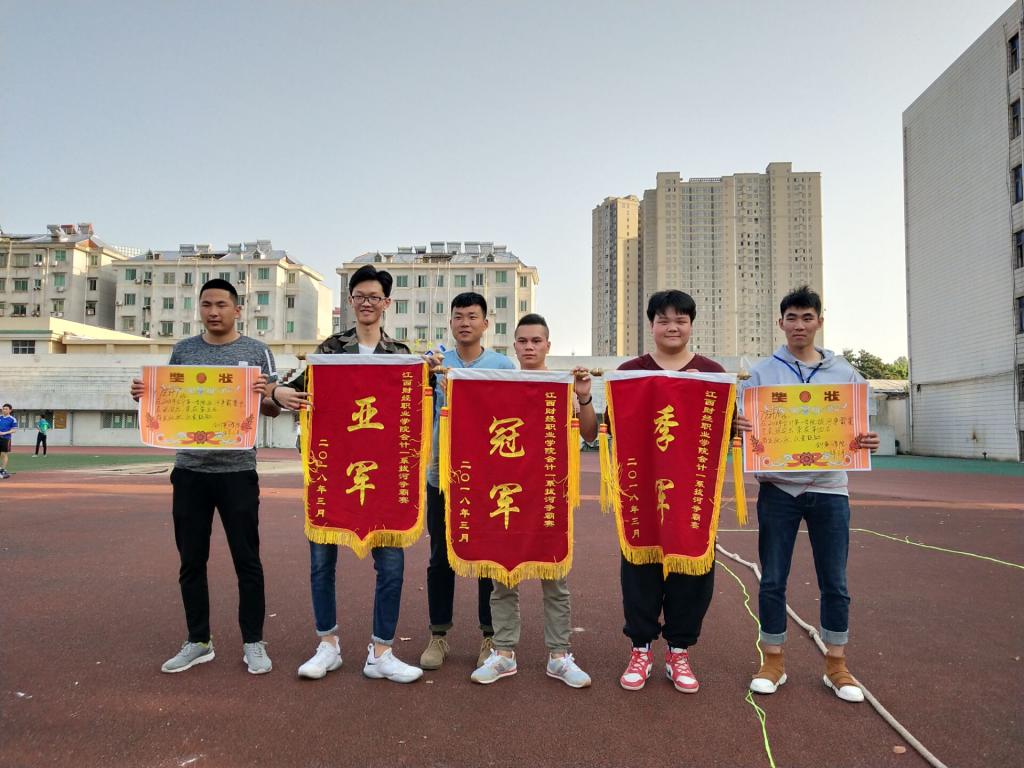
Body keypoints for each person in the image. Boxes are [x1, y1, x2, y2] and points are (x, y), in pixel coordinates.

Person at [270, 264, 422, 684]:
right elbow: (295, 389)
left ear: (386, 303)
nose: (366, 303)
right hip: (333, 474)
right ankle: (328, 645)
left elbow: (422, 402)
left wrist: (435, 372)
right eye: (359, 296)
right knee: (322, 562)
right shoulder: (331, 349)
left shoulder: (401, 355)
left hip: (385, 478)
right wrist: (278, 391)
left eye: (374, 297)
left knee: (391, 566)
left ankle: (381, 652)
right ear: (351, 301)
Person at [736, 285, 879, 703]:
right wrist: (738, 427)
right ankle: (772, 661)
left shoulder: (845, 374)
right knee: (772, 578)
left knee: (834, 580)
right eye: (792, 318)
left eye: (807, 317)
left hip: (830, 488)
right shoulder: (761, 374)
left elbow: (859, 427)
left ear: (820, 321)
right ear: (780, 323)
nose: (799, 325)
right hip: (779, 488)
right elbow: (743, 426)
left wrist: (866, 440)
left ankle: (836, 664)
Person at [130, 279, 279, 675]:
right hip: (190, 471)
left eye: (221, 305)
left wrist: (264, 394)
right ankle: (198, 640)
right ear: (199, 308)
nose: (213, 312)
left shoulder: (257, 351)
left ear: (237, 310)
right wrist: (145, 395)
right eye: (206, 304)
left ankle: (254, 642)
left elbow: (273, 409)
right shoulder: (184, 350)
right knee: (191, 561)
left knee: (247, 560)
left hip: (238, 471)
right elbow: (169, 401)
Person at [470, 314, 597, 687]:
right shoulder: (500, 386)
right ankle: (503, 652)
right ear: (514, 346)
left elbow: (590, 434)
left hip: (548, 494)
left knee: (554, 578)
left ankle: (559, 655)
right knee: (502, 577)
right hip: (506, 492)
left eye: (536, 341)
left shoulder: (562, 386)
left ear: (547, 346)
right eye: (523, 341)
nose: (529, 347)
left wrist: (583, 396)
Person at [616, 290, 726, 694]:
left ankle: (679, 650)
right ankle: (641, 648)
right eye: (663, 320)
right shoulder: (630, 372)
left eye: (680, 319)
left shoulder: (712, 373)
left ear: (691, 325)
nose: (672, 327)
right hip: (642, 487)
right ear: (651, 326)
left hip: (692, 490)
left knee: (692, 569)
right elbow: (612, 427)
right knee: (639, 569)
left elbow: (726, 427)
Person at [419, 292, 517, 671]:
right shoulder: (435, 362)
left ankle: (489, 636)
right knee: (440, 555)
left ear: (486, 323)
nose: (465, 323)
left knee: (485, 556)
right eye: (458, 317)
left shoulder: (502, 365)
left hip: (485, 477)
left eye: (472, 316)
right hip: (440, 473)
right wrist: (426, 374)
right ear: (451, 323)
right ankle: (438, 635)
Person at [0, 403, 16, 479]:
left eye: (6, 409)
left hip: (6, 438)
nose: (4, 410)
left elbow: (14, 430)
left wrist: (4, 433)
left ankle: (3, 470)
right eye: (3, 409)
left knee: (4, 454)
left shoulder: (12, 419)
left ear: (10, 410)